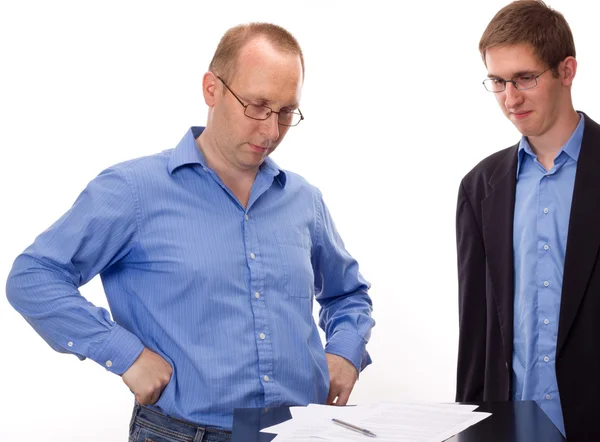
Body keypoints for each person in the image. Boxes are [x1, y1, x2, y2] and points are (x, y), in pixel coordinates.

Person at [6, 22, 374, 441]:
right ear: (212, 89)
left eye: (287, 112)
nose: (271, 131)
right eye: (257, 105)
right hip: (183, 433)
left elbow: (347, 293)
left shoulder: (303, 199)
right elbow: (34, 277)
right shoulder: (133, 191)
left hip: (301, 432)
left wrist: (345, 352)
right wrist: (124, 354)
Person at [455, 1, 600, 440]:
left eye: (524, 78)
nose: (510, 99)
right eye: (497, 81)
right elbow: (475, 336)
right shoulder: (479, 188)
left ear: (567, 70)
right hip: (507, 429)